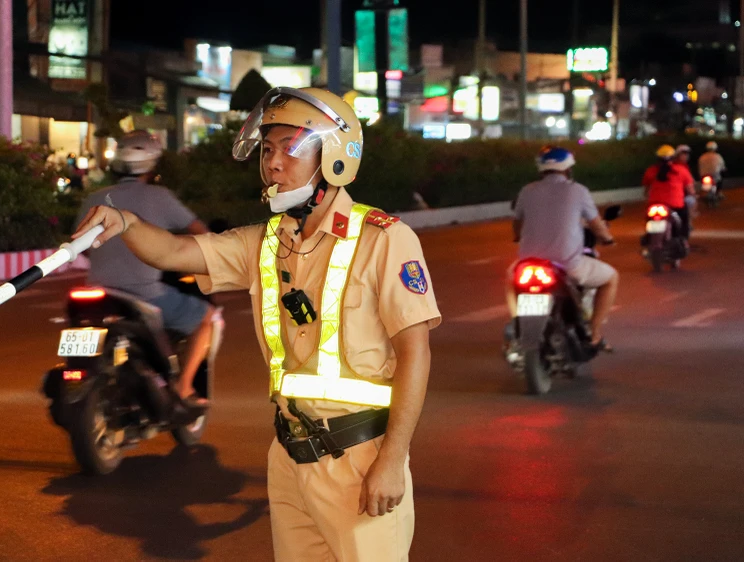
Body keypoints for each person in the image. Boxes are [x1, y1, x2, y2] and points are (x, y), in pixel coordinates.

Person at [73, 87, 441, 561]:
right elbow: (174, 252)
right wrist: (125, 222)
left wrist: (391, 461)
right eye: (267, 149)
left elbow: (416, 353)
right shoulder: (267, 242)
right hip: (288, 457)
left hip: (359, 456)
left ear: (333, 157)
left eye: (291, 147)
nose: (273, 162)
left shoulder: (385, 240)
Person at [75, 130, 214, 414]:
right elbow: (202, 234)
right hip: (145, 294)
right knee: (207, 319)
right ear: (153, 164)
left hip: (97, 291)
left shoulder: (96, 197)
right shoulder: (159, 197)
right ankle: (184, 387)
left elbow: (82, 247)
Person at [508, 146, 618, 350]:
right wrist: (607, 238)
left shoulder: (527, 190)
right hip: (567, 265)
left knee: (511, 279)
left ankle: (518, 321)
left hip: (528, 265)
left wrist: (517, 236)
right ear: (568, 169)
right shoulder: (578, 190)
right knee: (610, 279)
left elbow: (517, 223)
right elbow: (595, 224)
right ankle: (594, 332)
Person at [643, 144, 694, 242]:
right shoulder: (681, 170)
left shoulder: (650, 171)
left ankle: (648, 236)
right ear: (673, 157)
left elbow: (646, 190)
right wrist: (692, 194)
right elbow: (690, 190)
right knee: (684, 220)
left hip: (654, 204)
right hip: (675, 205)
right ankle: (683, 240)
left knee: (648, 218)